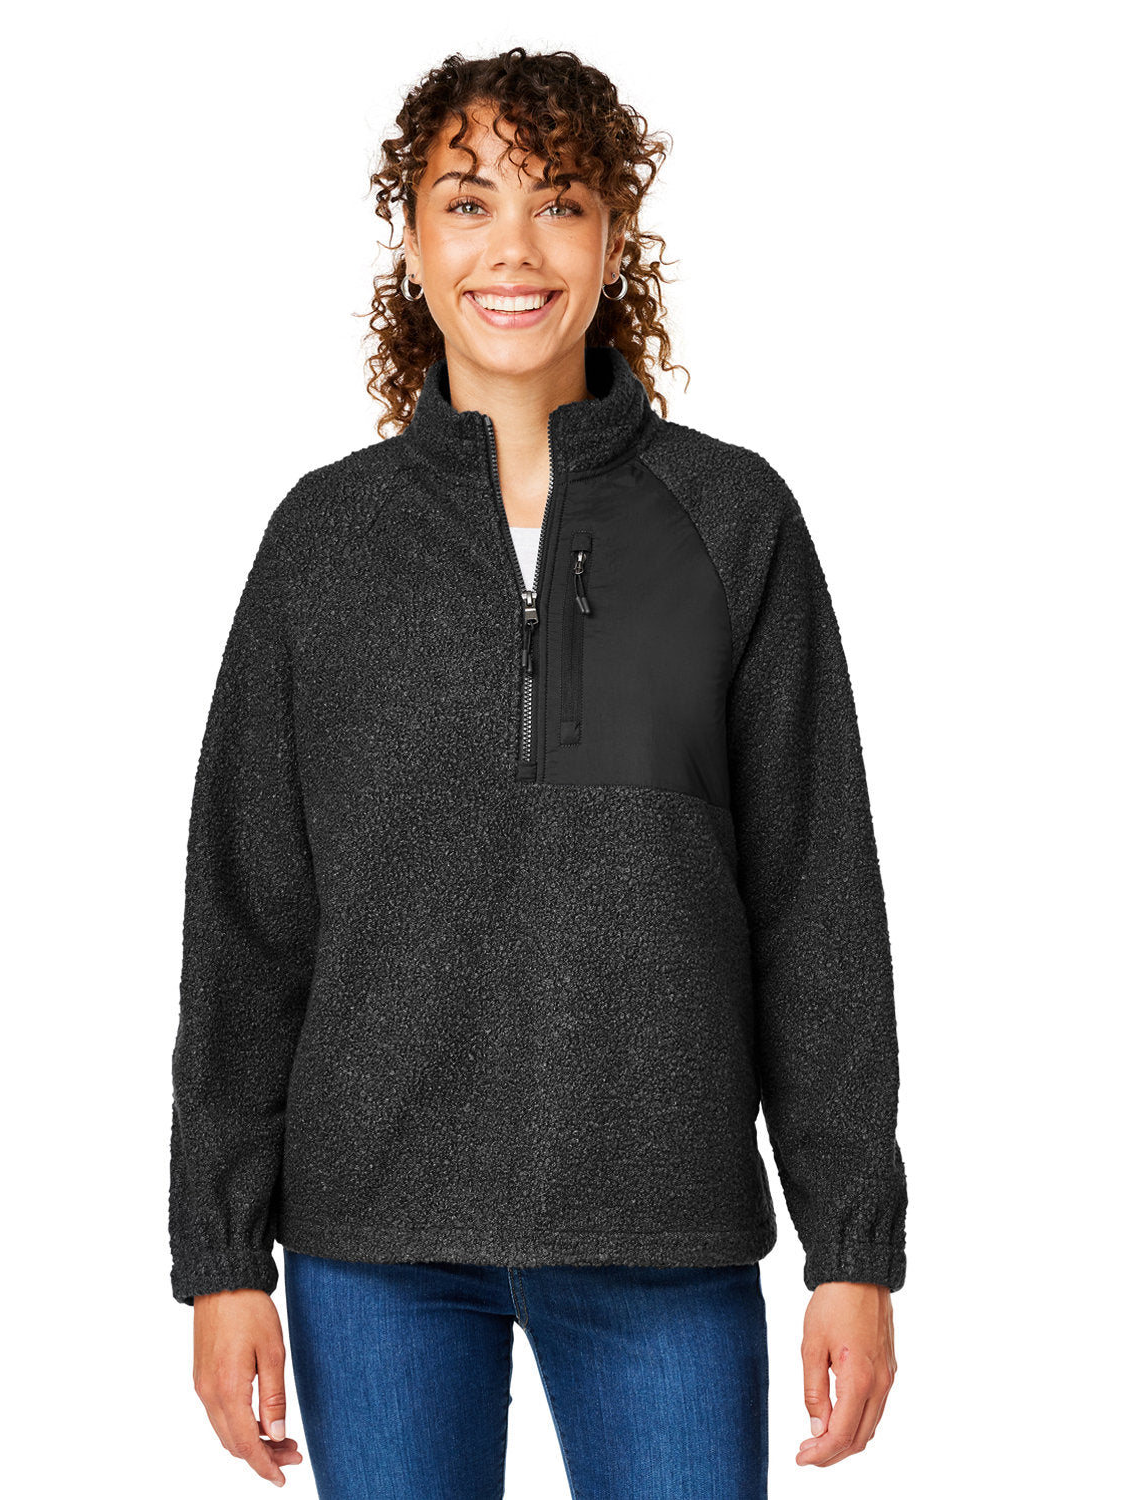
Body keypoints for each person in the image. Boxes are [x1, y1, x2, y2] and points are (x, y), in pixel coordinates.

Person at [169, 47, 906, 1500]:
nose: (513, 248)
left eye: (559, 203)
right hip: (371, 1242)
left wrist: (854, 1246)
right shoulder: (324, 542)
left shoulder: (735, 518)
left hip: (663, 1228)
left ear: (615, 241)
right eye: (468, 204)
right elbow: (246, 918)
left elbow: (815, 898)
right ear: (411, 243)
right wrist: (221, 1256)